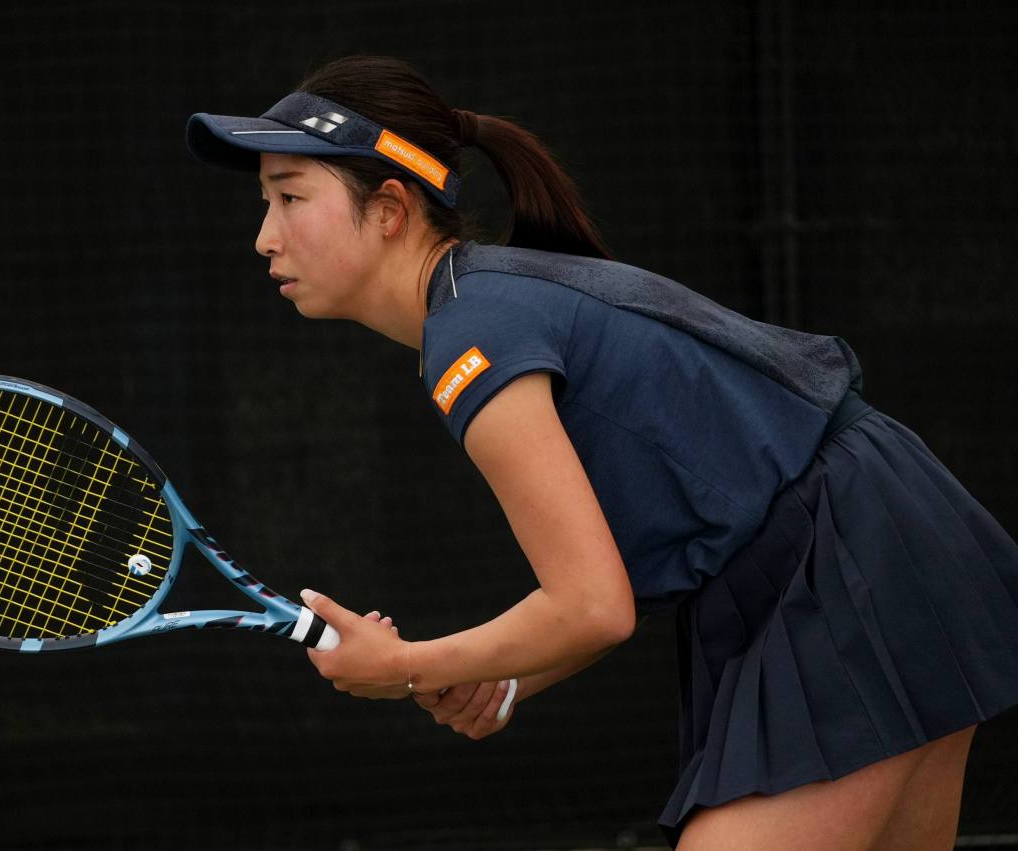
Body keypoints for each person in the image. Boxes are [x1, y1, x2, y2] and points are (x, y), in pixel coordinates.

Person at [185, 55, 1018, 849]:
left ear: (391, 208)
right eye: (266, 201)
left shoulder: (473, 332)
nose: (265, 236)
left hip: (849, 563)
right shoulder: (485, 304)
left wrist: (405, 663)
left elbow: (593, 605)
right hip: (876, 539)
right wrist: (507, 675)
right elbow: (607, 588)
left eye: (290, 196)